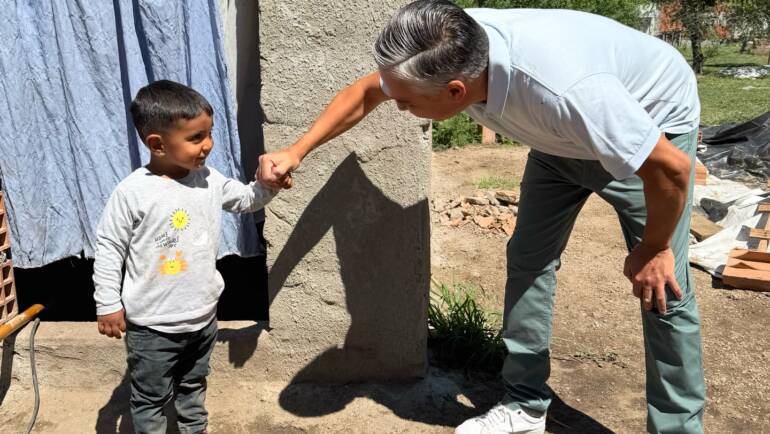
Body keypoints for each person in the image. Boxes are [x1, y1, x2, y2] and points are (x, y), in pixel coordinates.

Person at [257, 1, 706, 433]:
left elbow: (670, 167)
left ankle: (677, 429)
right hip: (560, 142)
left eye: (408, 102)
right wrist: (295, 151)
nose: (397, 106)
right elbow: (365, 92)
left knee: (663, 289)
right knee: (529, 261)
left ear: (456, 91)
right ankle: (525, 406)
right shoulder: (445, 51)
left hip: (649, 126)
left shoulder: (569, 90)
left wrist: (656, 246)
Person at [93, 80, 276, 434]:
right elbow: (109, 248)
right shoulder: (132, 192)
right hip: (152, 327)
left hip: (203, 319)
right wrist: (107, 303)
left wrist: (268, 183)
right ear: (157, 145)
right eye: (196, 138)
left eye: (209, 133)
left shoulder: (208, 178)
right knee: (150, 399)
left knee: (193, 388)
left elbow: (245, 199)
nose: (207, 145)